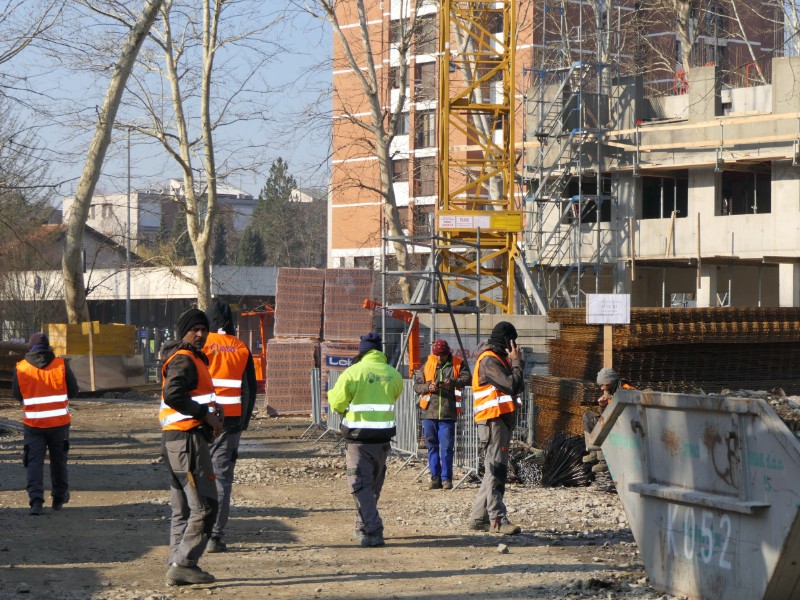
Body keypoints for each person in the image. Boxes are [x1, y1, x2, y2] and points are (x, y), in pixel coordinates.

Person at [159, 308, 223, 586]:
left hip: (175, 441)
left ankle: (177, 562)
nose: (200, 334)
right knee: (207, 505)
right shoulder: (184, 360)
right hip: (187, 441)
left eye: (203, 329)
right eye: (194, 329)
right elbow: (173, 394)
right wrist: (204, 414)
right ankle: (185, 563)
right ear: (182, 332)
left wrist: (211, 409)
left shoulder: (188, 359)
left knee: (182, 508)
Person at [328, 332, 403, 548]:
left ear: (362, 351)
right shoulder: (393, 374)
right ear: (379, 351)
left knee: (360, 485)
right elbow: (394, 396)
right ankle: (363, 525)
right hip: (382, 439)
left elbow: (336, 402)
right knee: (373, 485)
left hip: (359, 438)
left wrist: (344, 409)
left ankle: (373, 528)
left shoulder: (352, 373)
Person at [203, 300, 257, 553]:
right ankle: (215, 536)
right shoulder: (241, 348)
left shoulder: (199, 344)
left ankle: (192, 531)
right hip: (230, 422)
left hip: (199, 420)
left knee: (195, 474)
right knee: (222, 478)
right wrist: (243, 422)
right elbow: (249, 389)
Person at [13, 332, 80, 516]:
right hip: (59, 424)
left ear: (30, 348)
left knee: (34, 462)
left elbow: (17, 395)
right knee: (59, 461)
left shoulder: (21, 368)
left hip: (33, 425)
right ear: (48, 347)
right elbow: (73, 391)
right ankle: (58, 498)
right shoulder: (61, 365)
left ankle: (36, 501)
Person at [469, 321, 524, 536]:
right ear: (506, 341)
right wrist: (518, 363)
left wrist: (515, 364)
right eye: (513, 341)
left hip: (498, 421)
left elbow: (517, 386)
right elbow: (512, 385)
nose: (516, 345)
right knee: (496, 471)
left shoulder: (499, 359)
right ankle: (497, 520)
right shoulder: (490, 360)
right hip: (493, 422)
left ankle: (478, 518)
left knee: (492, 470)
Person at [413, 338, 470, 490]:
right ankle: (435, 478)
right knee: (432, 447)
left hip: (447, 413)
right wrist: (428, 387)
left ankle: (446, 479)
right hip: (429, 414)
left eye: (442, 355)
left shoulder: (458, 364)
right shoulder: (427, 365)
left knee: (446, 448)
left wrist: (451, 382)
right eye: (437, 355)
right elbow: (416, 386)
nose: (439, 358)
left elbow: (467, 379)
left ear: (447, 353)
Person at [583, 367, 635, 473]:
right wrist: (602, 406)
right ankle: (593, 451)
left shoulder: (625, 388)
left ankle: (603, 460)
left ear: (610, 381)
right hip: (614, 418)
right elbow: (605, 414)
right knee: (587, 416)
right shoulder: (611, 390)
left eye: (603, 385)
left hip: (626, 423)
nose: (602, 388)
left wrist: (610, 404)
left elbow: (630, 408)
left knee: (605, 425)